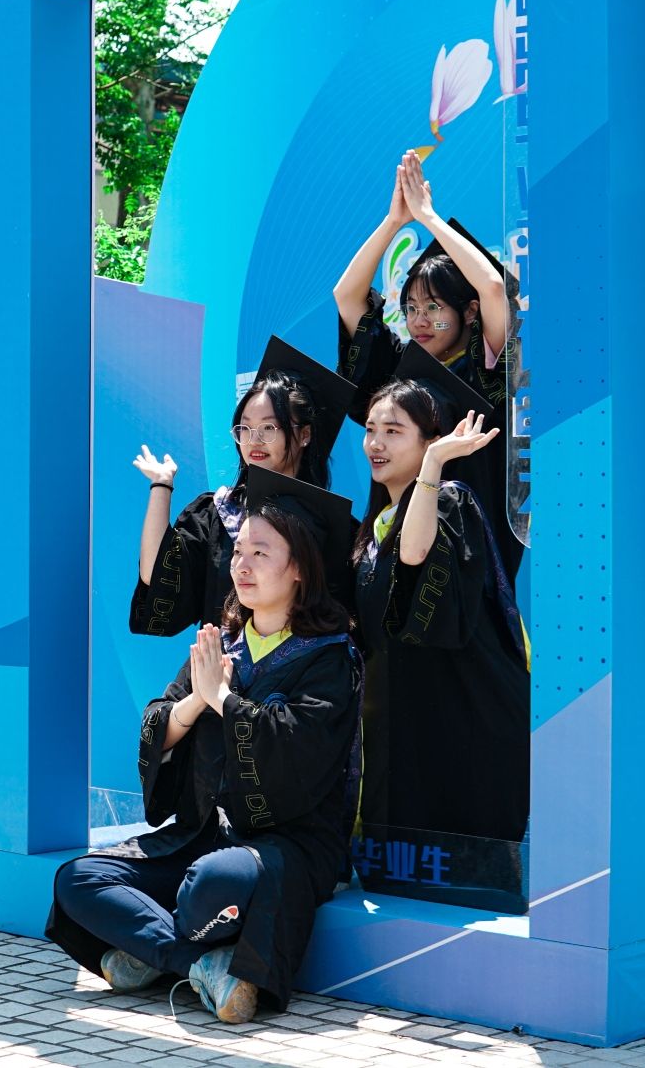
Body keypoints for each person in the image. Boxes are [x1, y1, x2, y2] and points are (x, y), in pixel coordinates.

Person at [52, 467, 360, 1024]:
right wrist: (197, 700)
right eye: (238, 551)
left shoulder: (328, 657)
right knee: (80, 880)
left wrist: (223, 700)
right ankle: (200, 964)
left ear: (299, 567)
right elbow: (160, 722)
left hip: (283, 845)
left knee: (210, 886)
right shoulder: (224, 643)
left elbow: (298, 751)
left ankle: (147, 949)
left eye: (260, 554)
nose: (242, 565)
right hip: (203, 835)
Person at [350, 347, 531, 911]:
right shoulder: (374, 526)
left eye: (394, 431)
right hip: (407, 726)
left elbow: (415, 556)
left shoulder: (450, 503)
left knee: (464, 888)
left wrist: (432, 468)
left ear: (432, 441)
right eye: (371, 429)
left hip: (465, 721)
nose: (375, 443)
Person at [333, 151, 523, 580]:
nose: (420, 320)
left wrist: (428, 218)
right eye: (412, 308)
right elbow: (346, 296)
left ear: (468, 312)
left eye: (434, 308)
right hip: (396, 542)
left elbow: (493, 287)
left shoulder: (485, 368)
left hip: (469, 552)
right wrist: (394, 223)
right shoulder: (400, 371)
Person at [131, 337, 356, 637]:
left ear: (304, 435)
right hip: (220, 664)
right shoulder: (218, 514)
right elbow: (156, 576)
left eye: (269, 427)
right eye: (245, 428)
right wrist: (162, 485)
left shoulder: (334, 528)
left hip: (305, 667)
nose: (254, 440)